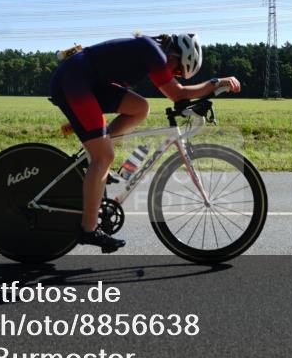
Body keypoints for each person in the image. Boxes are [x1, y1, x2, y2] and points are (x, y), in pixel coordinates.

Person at [49, 33, 241, 252]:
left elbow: (178, 95)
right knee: (105, 157)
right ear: (174, 53)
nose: (173, 73)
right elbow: (177, 94)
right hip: (75, 80)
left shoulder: (153, 52)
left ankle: (93, 158)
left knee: (140, 108)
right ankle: (88, 230)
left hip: (87, 81)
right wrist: (216, 83)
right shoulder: (153, 52)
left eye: (178, 73)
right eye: (177, 69)